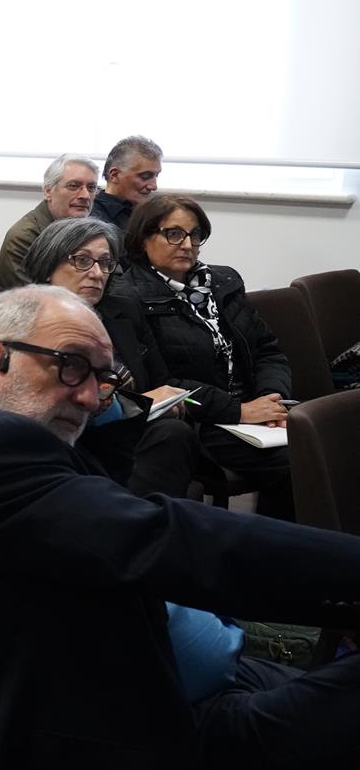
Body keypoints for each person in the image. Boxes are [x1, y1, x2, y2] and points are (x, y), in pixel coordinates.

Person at [0, 283, 360, 770]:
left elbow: (121, 507)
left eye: (102, 377)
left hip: (151, 705)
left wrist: (99, 404)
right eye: (71, 367)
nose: (89, 394)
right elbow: (167, 536)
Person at [109, 192, 294, 518]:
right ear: (143, 238)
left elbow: (267, 350)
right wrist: (238, 410)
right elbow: (161, 384)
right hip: (198, 420)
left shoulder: (223, 282)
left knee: (331, 442)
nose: (187, 244)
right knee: (296, 462)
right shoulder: (128, 297)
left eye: (195, 235)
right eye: (174, 234)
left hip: (253, 411)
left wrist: (272, 399)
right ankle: (279, 544)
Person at [21, 217, 200, 497]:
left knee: (174, 432)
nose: (97, 273)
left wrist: (169, 400)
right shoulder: (27, 320)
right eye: (82, 261)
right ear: (48, 267)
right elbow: (48, 407)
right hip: (72, 440)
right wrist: (141, 404)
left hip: (133, 435)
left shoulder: (123, 311)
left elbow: (160, 379)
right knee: (170, 436)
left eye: (105, 263)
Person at [0, 154, 100, 288]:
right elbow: (30, 296)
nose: (85, 195)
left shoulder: (90, 230)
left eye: (91, 188)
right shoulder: (24, 238)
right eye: (74, 186)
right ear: (48, 191)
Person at [91, 135, 163, 231]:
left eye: (156, 176)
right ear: (114, 175)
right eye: (145, 176)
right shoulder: (91, 219)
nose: (154, 186)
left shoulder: (150, 215)